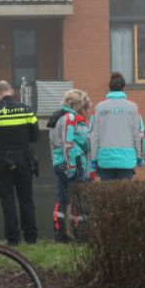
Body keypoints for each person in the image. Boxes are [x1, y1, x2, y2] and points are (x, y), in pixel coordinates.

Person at [0, 80, 40, 246]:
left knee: (8, 200)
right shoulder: (26, 110)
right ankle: (31, 238)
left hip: (2, 161)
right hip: (24, 159)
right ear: (12, 91)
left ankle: (13, 239)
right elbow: (35, 136)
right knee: (26, 199)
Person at [47, 89, 93, 240]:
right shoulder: (69, 117)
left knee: (62, 198)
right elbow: (68, 143)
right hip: (70, 164)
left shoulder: (56, 117)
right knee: (78, 199)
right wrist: (72, 167)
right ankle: (80, 234)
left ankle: (59, 234)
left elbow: (55, 144)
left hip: (59, 163)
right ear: (76, 104)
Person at [89, 72, 145, 180]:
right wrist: (140, 157)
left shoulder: (99, 108)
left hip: (105, 159)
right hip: (127, 159)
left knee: (107, 195)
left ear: (110, 87)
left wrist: (93, 158)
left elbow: (93, 134)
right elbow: (139, 134)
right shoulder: (133, 108)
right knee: (123, 194)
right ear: (123, 87)